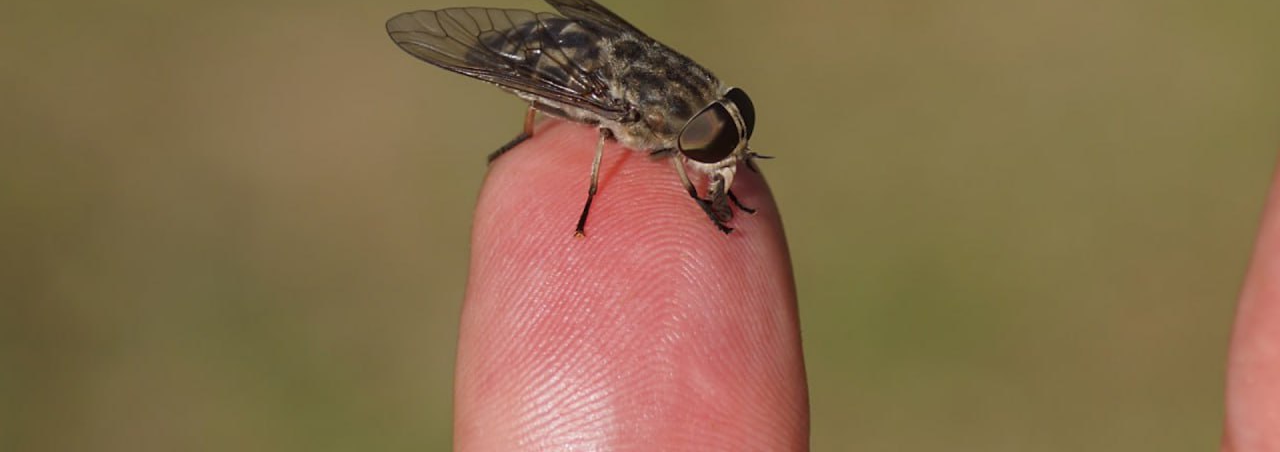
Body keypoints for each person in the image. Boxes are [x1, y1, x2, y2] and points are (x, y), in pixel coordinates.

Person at [451, 121, 1278, 450]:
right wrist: (591, 197)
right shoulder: (631, 125)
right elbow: (611, 132)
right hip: (578, 84)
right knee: (572, 124)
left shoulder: (696, 130)